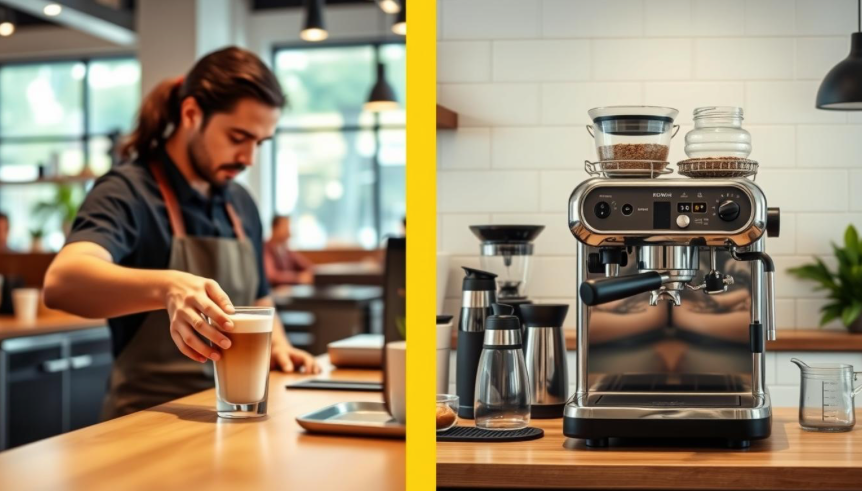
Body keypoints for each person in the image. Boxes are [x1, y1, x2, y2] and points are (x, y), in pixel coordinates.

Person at [43, 46, 319, 420]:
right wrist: (167, 288)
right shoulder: (127, 191)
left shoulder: (240, 204)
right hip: (147, 423)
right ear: (191, 113)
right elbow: (62, 282)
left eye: (259, 143)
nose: (249, 158)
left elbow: (258, 294)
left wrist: (280, 344)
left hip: (237, 422)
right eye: (238, 137)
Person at [264, 215, 314, 286]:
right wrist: (298, 278)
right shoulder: (266, 249)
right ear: (274, 228)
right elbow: (272, 276)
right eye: (286, 227)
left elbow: (307, 266)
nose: (289, 232)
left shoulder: (286, 250)